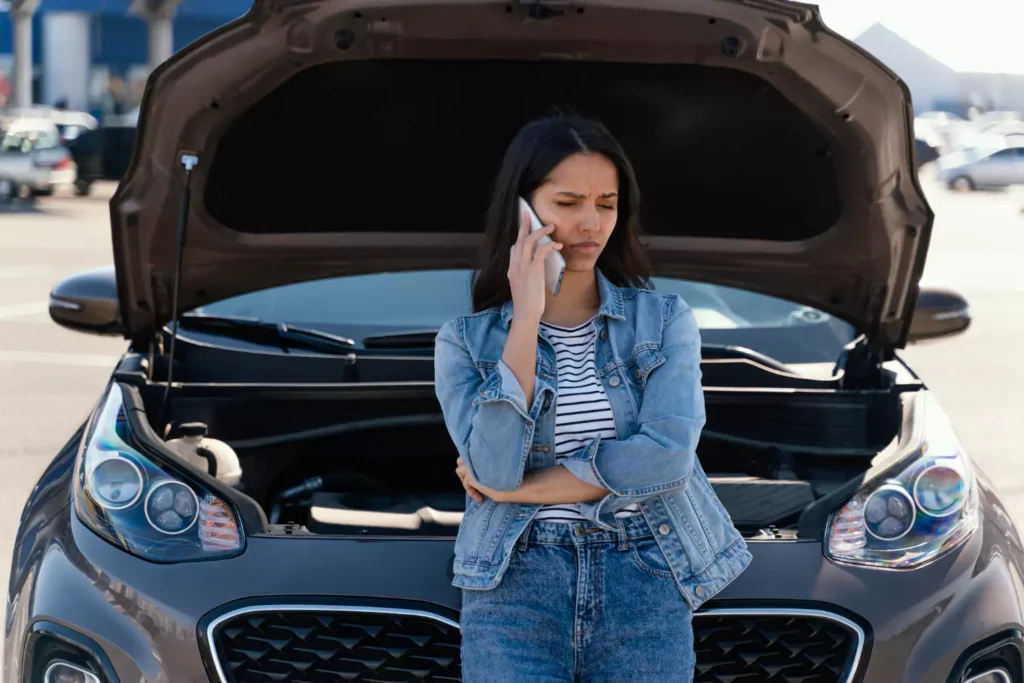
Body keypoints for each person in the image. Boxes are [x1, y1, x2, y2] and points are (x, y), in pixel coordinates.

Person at [433, 113, 752, 682]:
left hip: (646, 574)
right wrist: (526, 317)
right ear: (522, 210)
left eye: (606, 204)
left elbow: (667, 456)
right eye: (568, 202)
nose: (590, 223)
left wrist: (520, 491)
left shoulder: (664, 321)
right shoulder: (465, 341)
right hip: (514, 586)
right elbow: (493, 467)